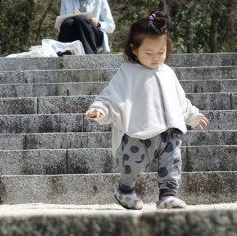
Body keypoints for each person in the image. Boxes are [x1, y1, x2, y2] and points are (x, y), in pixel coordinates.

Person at [84, 11, 209, 210]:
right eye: (149, 53)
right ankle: (125, 190)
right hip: (138, 130)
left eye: (161, 52)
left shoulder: (167, 72)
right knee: (132, 164)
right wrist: (99, 110)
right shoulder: (127, 72)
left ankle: (167, 196)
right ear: (134, 50)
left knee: (172, 162)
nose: (156, 58)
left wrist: (192, 115)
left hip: (169, 130)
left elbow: (179, 100)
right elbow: (111, 97)